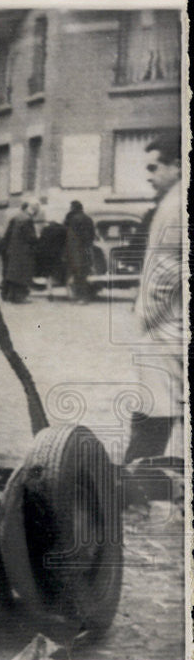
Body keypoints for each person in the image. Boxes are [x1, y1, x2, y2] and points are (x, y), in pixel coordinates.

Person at [123, 129, 185, 463]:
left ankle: (134, 487)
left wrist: (147, 318)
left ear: (177, 166)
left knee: (155, 407)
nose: (148, 176)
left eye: (153, 168)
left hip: (166, 328)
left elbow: (164, 272)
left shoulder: (173, 205)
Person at [0, 200, 39, 304]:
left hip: (12, 250)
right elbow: (31, 237)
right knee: (22, 275)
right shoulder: (27, 220)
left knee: (11, 274)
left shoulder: (16, 218)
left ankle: (7, 295)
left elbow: (7, 235)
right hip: (23, 251)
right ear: (33, 210)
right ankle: (19, 298)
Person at [63, 200, 96, 303]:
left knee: (77, 274)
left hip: (75, 250)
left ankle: (80, 297)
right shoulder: (88, 219)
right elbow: (92, 235)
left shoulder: (73, 219)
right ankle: (84, 297)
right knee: (84, 274)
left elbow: (68, 235)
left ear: (73, 208)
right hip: (86, 249)